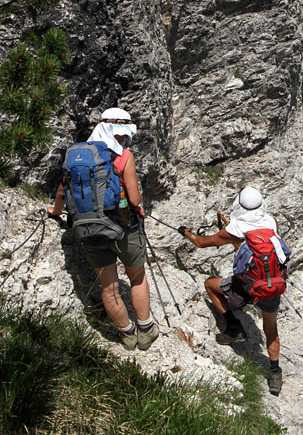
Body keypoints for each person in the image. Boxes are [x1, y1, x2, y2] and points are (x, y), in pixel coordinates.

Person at [48, 108, 159, 351]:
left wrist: (55, 212)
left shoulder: (76, 158)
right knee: (137, 278)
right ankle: (146, 328)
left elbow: (61, 192)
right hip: (123, 227)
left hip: (89, 229)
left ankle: (127, 334)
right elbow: (135, 200)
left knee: (108, 287)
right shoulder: (124, 157)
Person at [180, 185, 284, 396]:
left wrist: (185, 232)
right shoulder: (272, 222)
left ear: (240, 205)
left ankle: (234, 326)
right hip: (272, 285)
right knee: (271, 329)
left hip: (245, 286)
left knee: (210, 285)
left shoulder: (234, 229)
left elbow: (201, 243)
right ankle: (275, 374)